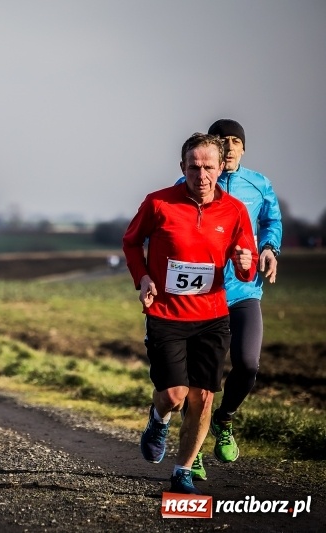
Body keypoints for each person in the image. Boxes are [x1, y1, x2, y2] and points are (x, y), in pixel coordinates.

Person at [122, 132, 258, 494]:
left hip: (212, 317)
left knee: (204, 396)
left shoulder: (234, 211)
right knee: (174, 394)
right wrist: (143, 277)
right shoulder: (158, 203)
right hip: (166, 313)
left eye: (208, 167)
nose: (201, 175)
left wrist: (246, 264)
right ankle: (158, 419)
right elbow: (131, 242)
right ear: (182, 166)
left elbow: (246, 266)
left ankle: (182, 471)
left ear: (221, 167)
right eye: (194, 167)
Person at [174, 119, 282, 481]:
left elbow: (272, 221)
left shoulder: (259, 184)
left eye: (237, 141)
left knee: (248, 364)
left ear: (244, 148)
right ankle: (192, 452)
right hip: (203, 295)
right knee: (199, 380)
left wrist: (270, 248)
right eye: (223, 141)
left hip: (244, 291)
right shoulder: (193, 182)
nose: (231, 147)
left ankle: (224, 420)